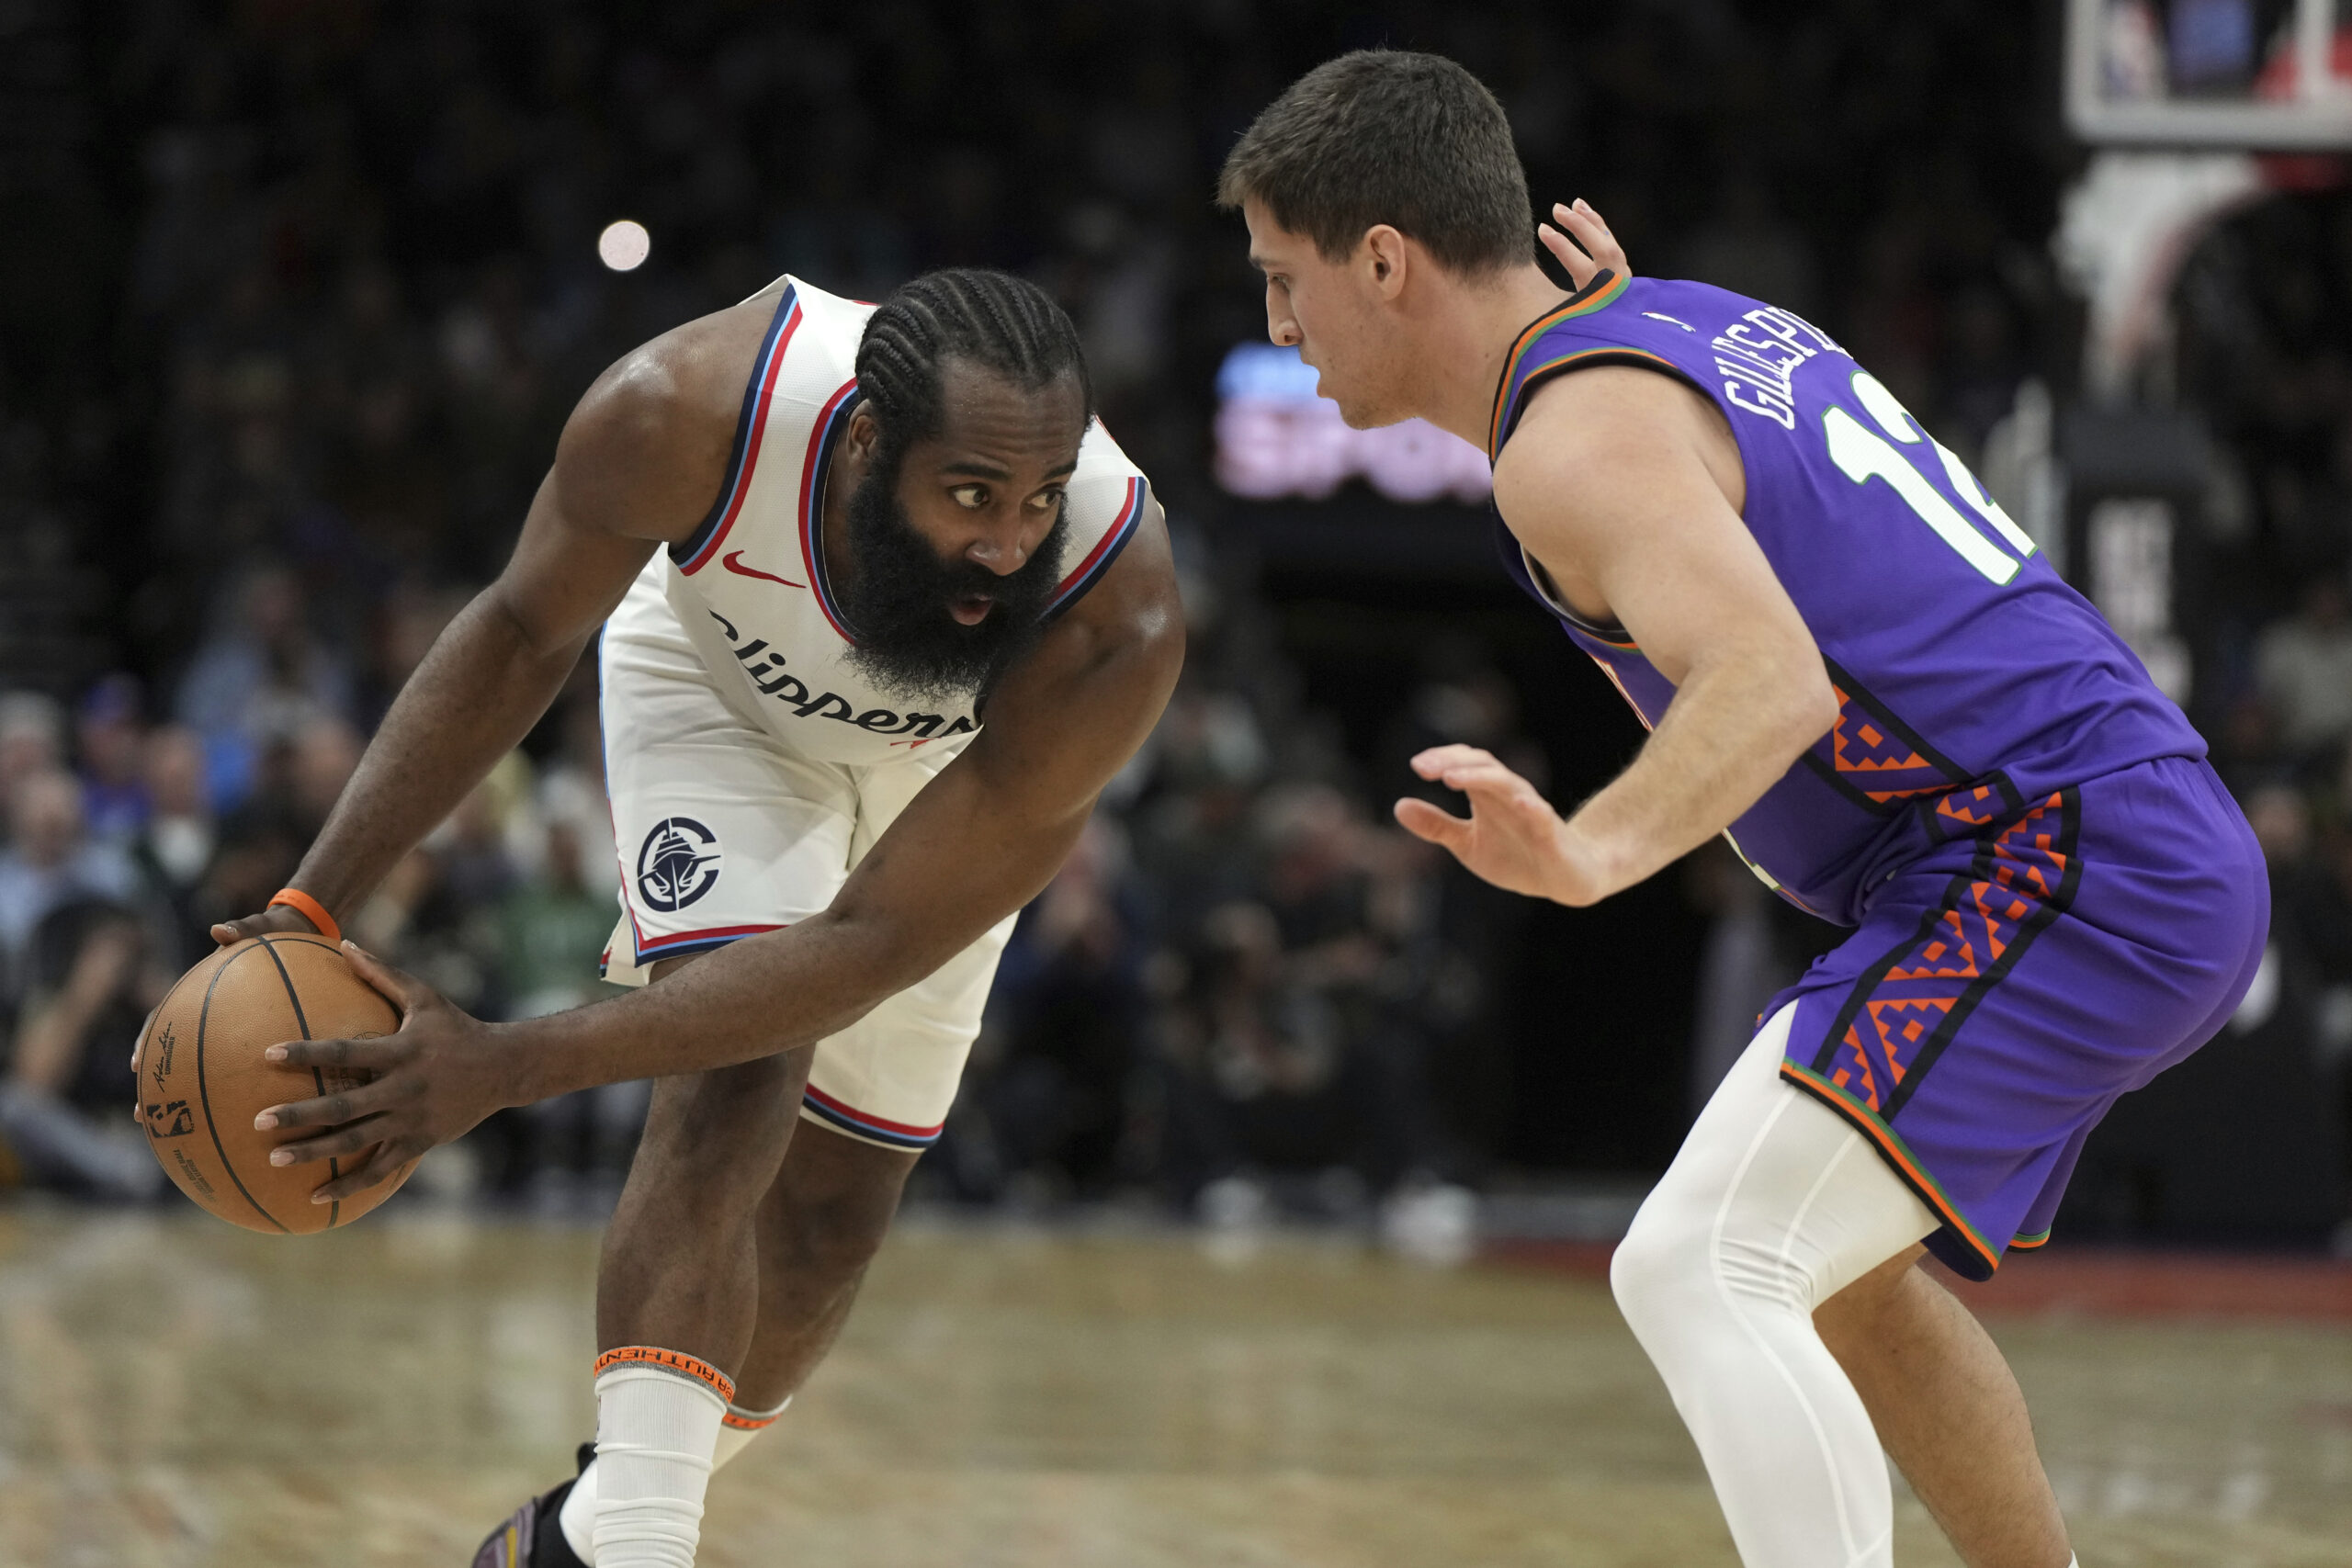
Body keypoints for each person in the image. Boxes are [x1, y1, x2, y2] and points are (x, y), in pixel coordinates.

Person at [1219, 51, 2265, 1568]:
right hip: (2096, 835)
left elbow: (1774, 681)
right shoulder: (1661, 331)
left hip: (2061, 855)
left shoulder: (1575, 440)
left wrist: (1590, 852)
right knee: (1836, 1282)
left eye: (1281, 278)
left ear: (1381, 259)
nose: (1276, 325)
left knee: (1702, 1265)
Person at [171, 268, 1182, 1568]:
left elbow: (865, 950)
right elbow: (520, 631)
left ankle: (582, 1532)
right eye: (971, 494)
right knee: (735, 1072)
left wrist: (504, 1064)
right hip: (723, 703)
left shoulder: (1120, 615)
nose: (1006, 542)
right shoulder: (684, 408)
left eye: (1037, 501)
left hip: (949, 786)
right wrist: (310, 900)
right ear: (867, 443)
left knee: (825, 1230)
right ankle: (641, 1545)